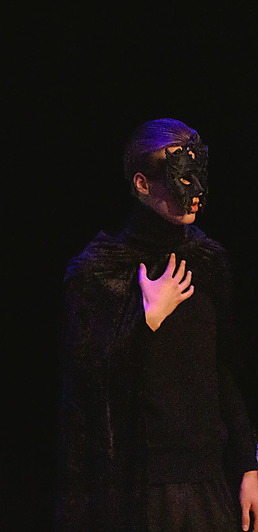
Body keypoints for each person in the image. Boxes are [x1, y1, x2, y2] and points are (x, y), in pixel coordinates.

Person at [57, 118, 258, 531]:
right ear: (143, 184)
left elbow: (226, 371)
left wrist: (248, 465)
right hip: (136, 487)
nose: (195, 191)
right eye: (181, 178)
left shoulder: (208, 261)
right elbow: (85, 391)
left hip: (208, 481)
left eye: (198, 174)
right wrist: (146, 320)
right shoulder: (101, 271)